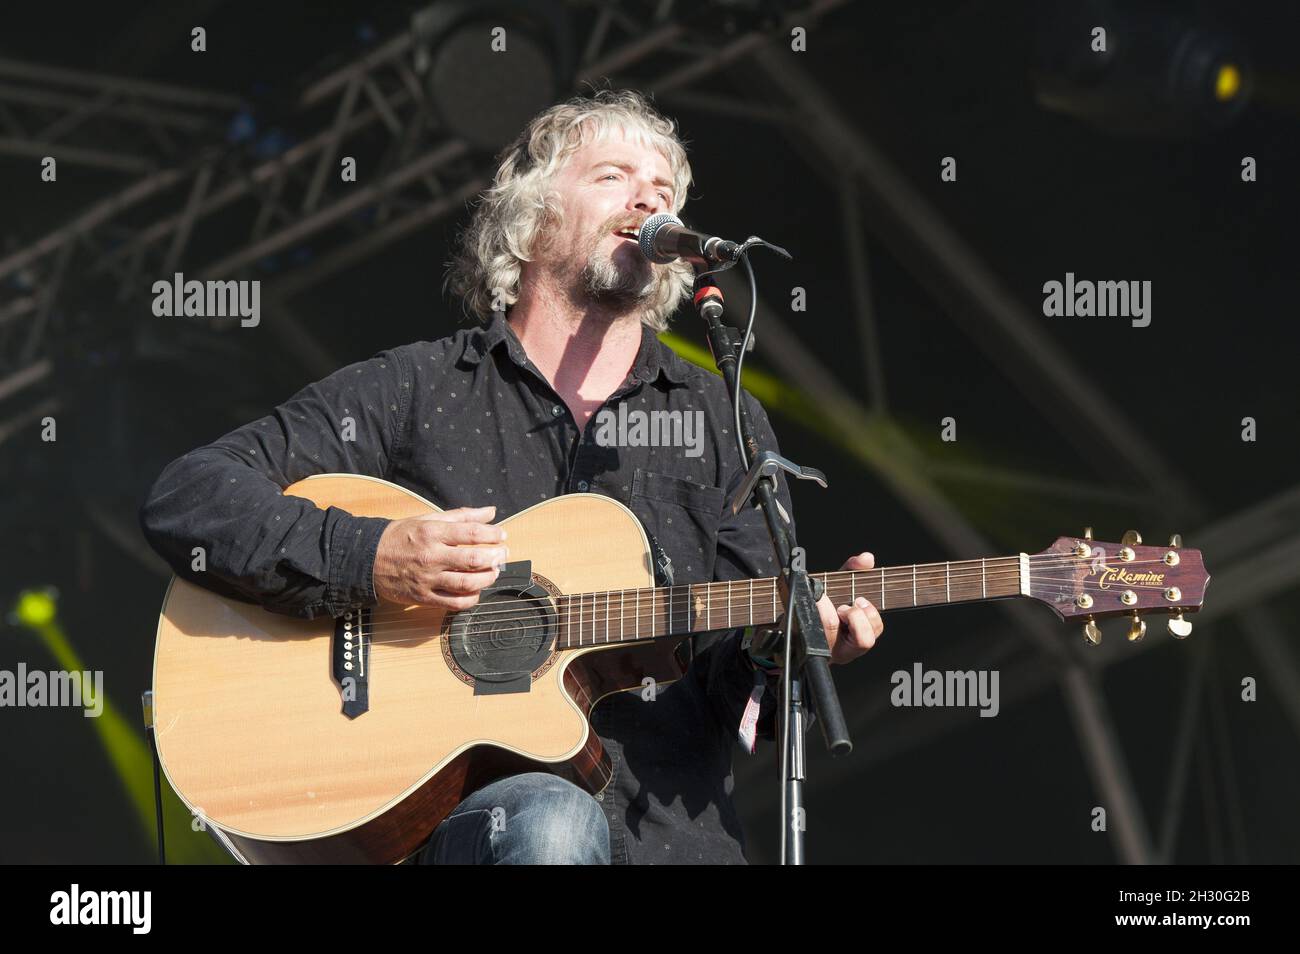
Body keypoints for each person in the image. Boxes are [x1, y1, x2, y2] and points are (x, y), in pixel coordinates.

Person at [139, 88, 884, 865]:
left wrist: (790, 647)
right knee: (552, 823)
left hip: (674, 843)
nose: (647, 199)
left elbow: (744, 695)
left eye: (663, 191)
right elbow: (190, 497)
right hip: (456, 831)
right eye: (612, 177)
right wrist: (370, 557)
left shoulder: (721, 417)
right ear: (530, 217)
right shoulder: (418, 389)